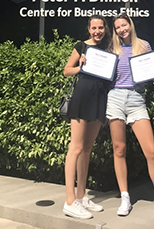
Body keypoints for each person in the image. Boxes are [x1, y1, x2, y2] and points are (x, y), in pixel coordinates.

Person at [106, 13, 154, 220]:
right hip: (115, 98)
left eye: (124, 25)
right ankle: (125, 197)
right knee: (119, 150)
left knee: (152, 152)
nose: (121, 29)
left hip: (137, 99)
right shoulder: (111, 48)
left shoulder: (143, 46)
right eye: (117, 27)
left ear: (130, 25)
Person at [62, 16, 112, 220]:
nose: (97, 31)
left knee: (87, 149)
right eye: (94, 27)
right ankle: (69, 201)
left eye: (101, 27)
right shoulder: (81, 46)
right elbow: (66, 71)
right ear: (89, 29)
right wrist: (80, 67)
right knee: (75, 147)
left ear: (104, 29)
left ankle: (81, 196)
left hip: (100, 99)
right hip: (82, 98)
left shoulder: (109, 49)